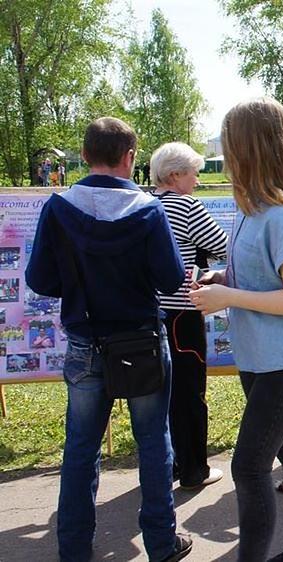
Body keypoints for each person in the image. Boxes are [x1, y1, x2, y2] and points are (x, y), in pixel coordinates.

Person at [25, 117, 191, 561]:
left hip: (85, 343)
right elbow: (172, 277)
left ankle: (74, 549)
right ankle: (160, 543)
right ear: (130, 158)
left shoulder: (59, 207)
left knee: (80, 449)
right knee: (154, 443)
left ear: (84, 155)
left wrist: (80, 283)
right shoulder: (150, 210)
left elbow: (40, 278)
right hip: (140, 341)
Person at [188, 98, 283, 561]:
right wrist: (223, 280)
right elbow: (267, 279)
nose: (226, 158)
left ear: (250, 149)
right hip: (263, 359)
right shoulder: (255, 209)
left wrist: (229, 297)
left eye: (230, 146)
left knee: (248, 468)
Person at [150, 142, 228, 491]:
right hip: (182, 311)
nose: (197, 179)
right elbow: (224, 246)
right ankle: (194, 469)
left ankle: (169, 463)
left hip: (151, 311)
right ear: (175, 174)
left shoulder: (146, 205)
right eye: (194, 172)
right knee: (190, 391)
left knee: (161, 394)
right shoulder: (186, 206)